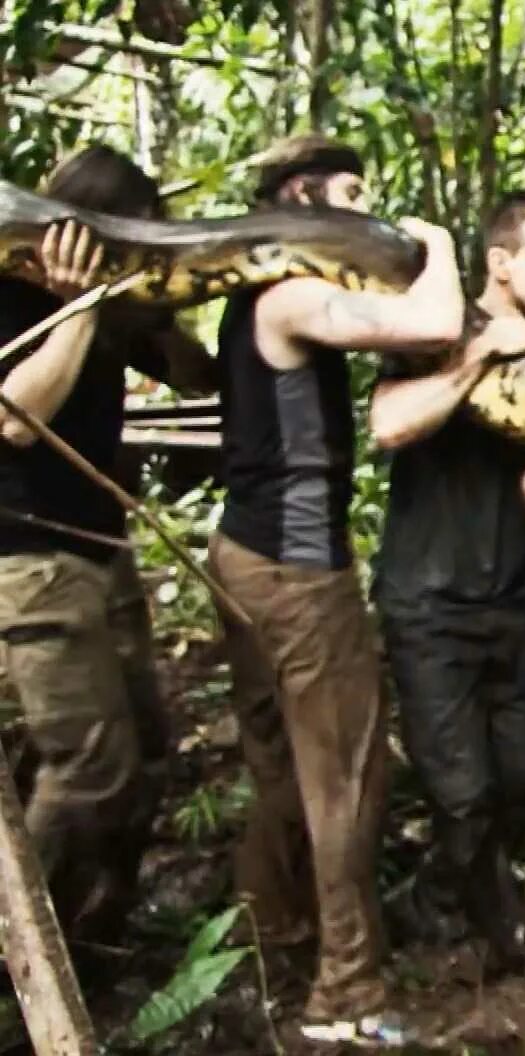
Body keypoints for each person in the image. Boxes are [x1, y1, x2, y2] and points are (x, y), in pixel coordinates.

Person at [208, 134, 465, 1043]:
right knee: (347, 775)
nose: (368, 213)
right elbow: (434, 326)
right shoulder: (288, 294)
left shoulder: (246, 302)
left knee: (279, 764)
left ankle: (270, 934)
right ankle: (345, 993)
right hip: (299, 572)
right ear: (304, 199)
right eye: (351, 195)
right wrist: (437, 244)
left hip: (243, 554)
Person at [367, 190, 525, 970]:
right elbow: (388, 426)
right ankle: (492, 934)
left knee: (522, 772)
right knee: (463, 791)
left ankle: (436, 902)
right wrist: (479, 355)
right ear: (500, 264)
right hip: (427, 600)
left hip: (510, 592)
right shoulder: (434, 325)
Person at [0, 145, 207, 950]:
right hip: (35, 557)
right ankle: (26, 956)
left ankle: (96, 928)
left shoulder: (113, 302)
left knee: (145, 753)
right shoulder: (18, 294)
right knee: (89, 767)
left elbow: (200, 376)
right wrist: (80, 305)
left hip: (99, 550)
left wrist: (152, 311)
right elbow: (18, 417)